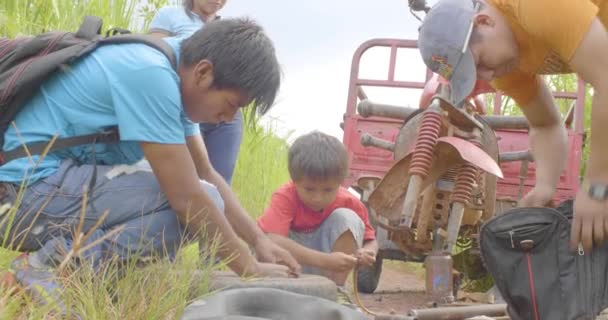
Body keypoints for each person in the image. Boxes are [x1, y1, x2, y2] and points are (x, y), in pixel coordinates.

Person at [0, 18, 300, 306]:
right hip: (20, 199)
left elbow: (205, 171)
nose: (228, 119)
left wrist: (258, 241)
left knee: (199, 193)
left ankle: (67, 271)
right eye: (232, 105)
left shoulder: (179, 68)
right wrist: (247, 266)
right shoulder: (150, 73)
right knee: (196, 202)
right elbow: (187, 198)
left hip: (48, 190)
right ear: (204, 73)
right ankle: (48, 269)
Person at [417, 0, 608, 251]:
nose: (486, 77)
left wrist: (597, 186)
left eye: (480, 62)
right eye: (473, 74)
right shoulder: (504, 62)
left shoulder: (534, 6)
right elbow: (545, 124)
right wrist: (545, 186)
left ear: (484, 21)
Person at [257, 131, 378, 286]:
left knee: (348, 218)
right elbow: (273, 240)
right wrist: (325, 260)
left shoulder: (350, 202)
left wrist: (368, 252)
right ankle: (277, 287)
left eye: (328, 190)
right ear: (295, 181)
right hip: (286, 266)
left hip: (328, 269)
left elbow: (371, 241)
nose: (317, 198)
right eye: (309, 189)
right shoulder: (285, 196)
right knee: (265, 237)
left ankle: (334, 289)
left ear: (340, 183)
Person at [149, 0, 243, 185]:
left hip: (222, 110)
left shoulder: (227, 30)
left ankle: (217, 210)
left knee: (219, 176)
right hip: (185, 103)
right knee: (180, 173)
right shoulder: (170, 14)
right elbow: (154, 54)